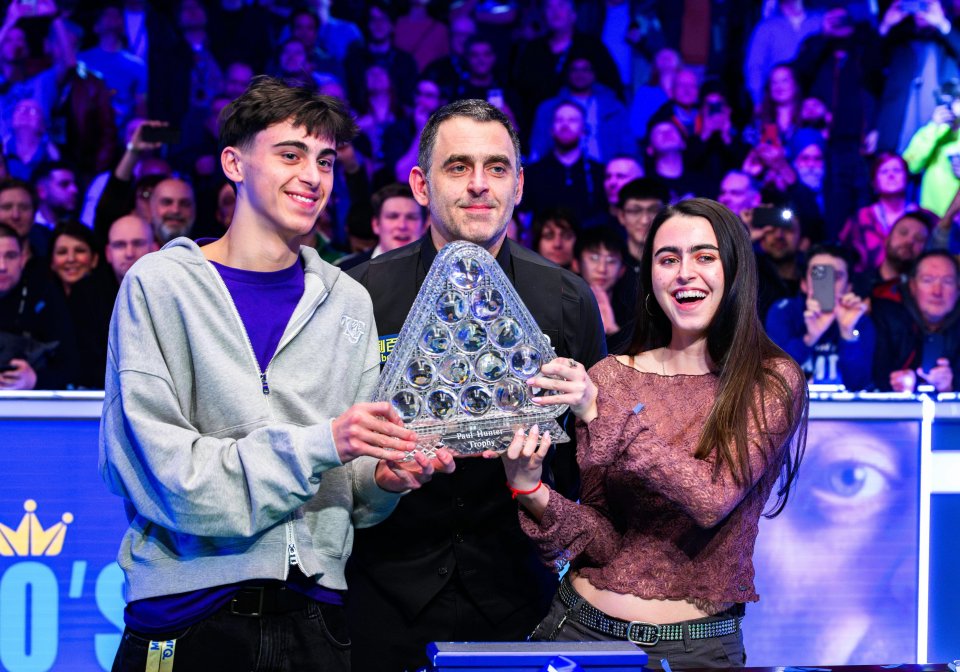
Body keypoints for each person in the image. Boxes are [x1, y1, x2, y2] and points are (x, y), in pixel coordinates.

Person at [99, 76, 453, 671]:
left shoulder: (347, 301)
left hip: (316, 619)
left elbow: (354, 495)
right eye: (290, 155)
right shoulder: (159, 286)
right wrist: (323, 443)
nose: (312, 177)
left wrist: (385, 479)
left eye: (325, 160)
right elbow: (167, 479)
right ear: (234, 164)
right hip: (186, 613)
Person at [346, 98, 606, 672]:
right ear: (421, 184)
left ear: (519, 185)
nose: (479, 185)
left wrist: (586, 412)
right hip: (382, 590)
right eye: (458, 166)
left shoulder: (567, 300)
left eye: (496, 168)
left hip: (517, 593)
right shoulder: (357, 292)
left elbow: (595, 465)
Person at [496, 197, 807, 669]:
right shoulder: (610, 376)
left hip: (697, 652)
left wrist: (602, 412)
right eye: (668, 259)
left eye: (704, 256)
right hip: (580, 632)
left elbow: (711, 496)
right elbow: (601, 538)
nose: (685, 272)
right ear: (651, 278)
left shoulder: (769, 380)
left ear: (735, 270)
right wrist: (529, 488)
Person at [766, 245, 875, 390]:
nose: (828, 283)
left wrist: (847, 333)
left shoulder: (859, 320)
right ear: (804, 284)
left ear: (849, 286)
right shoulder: (784, 312)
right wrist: (809, 339)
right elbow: (773, 377)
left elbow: (858, 385)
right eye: (819, 275)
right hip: (794, 409)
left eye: (836, 276)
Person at [872, 250, 960, 393]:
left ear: (958, 288)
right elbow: (865, 383)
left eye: (947, 281)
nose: (937, 291)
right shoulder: (887, 319)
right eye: (927, 280)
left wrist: (950, 388)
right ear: (912, 286)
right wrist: (896, 388)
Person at [336, 182, 426, 271]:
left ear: (424, 226)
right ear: (376, 225)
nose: (402, 225)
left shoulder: (435, 272)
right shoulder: (346, 271)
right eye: (393, 216)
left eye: (411, 217)